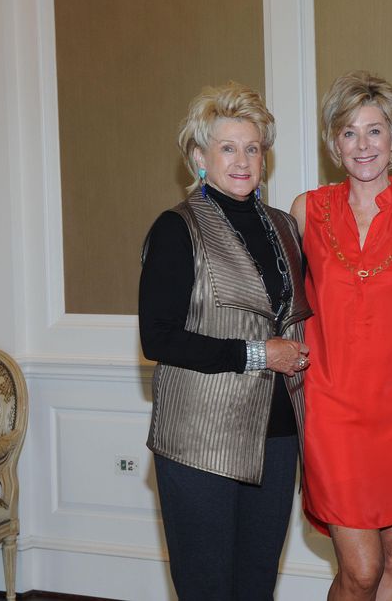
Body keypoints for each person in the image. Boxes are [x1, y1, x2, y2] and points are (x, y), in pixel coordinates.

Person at [139, 82, 311, 600]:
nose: (243, 160)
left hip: (278, 436)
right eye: (228, 147)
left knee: (257, 584)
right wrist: (258, 354)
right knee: (207, 587)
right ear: (199, 157)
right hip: (200, 439)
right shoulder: (177, 228)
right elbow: (159, 338)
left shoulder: (283, 226)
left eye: (253, 147)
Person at [290, 71, 392, 601]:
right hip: (331, 409)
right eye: (350, 132)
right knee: (360, 570)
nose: (364, 145)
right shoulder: (305, 212)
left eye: (375, 131)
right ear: (335, 143)